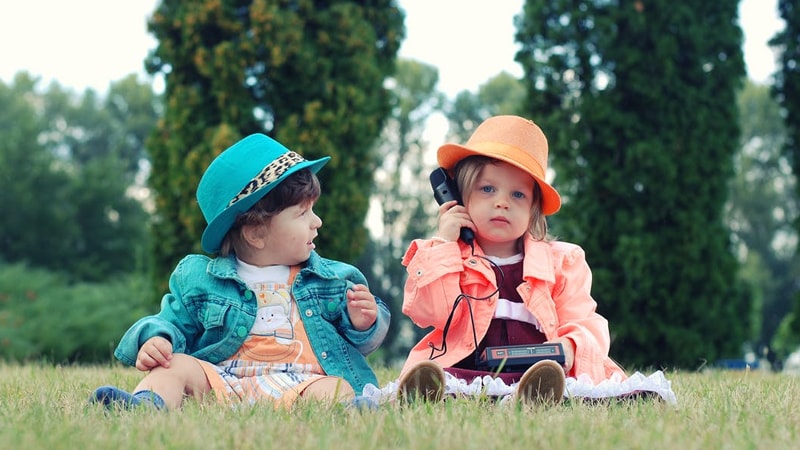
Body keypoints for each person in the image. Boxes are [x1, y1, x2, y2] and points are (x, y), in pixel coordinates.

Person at [90, 133, 390, 410]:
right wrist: (157, 340)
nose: (317, 221)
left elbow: (362, 343)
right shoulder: (201, 280)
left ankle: (353, 412)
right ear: (256, 233)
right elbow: (171, 321)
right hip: (222, 381)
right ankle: (146, 404)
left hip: (302, 384)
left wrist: (363, 323)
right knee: (174, 366)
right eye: (302, 213)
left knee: (335, 388)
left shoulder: (330, 280)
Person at [396, 115, 627, 405]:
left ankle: (531, 397)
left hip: (538, 372)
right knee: (447, 381)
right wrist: (444, 245)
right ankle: (431, 393)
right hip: (468, 369)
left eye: (518, 194)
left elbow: (584, 320)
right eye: (487, 189)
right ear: (458, 197)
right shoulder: (447, 256)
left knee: (563, 385)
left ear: (533, 209)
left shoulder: (561, 263)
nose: (502, 202)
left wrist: (569, 346)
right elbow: (429, 312)